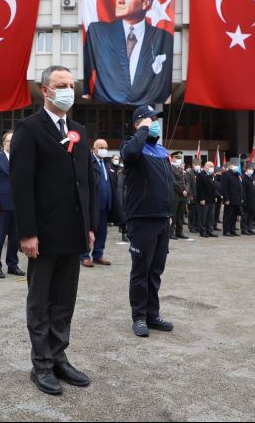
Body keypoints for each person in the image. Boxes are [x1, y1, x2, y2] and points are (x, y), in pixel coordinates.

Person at [10, 66, 97, 396]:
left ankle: (59, 356)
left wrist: (89, 227)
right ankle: (42, 364)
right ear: (45, 90)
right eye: (61, 85)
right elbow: (21, 184)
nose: (68, 90)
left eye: (71, 85)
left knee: (64, 300)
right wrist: (27, 232)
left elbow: (85, 183)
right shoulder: (29, 129)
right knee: (41, 300)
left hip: (73, 231)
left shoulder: (78, 130)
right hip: (43, 233)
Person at [121, 104, 174, 338]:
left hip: (162, 219)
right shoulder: (131, 147)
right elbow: (130, 153)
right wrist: (141, 131)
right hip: (141, 220)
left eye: (156, 119)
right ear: (138, 124)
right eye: (150, 120)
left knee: (155, 271)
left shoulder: (161, 151)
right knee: (141, 271)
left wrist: (169, 214)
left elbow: (166, 187)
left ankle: (153, 314)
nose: (155, 123)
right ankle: (139, 317)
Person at [83, 0, 174, 105]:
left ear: (145, 3)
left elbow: (164, 80)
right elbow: (87, 67)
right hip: (106, 108)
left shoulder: (163, 38)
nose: (120, 0)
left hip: (146, 106)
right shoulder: (98, 31)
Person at [0, 131, 25, 279]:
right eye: (10, 140)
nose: (13, 142)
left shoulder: (20, 159)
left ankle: (12, 265)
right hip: (2, 205)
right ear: (4, 143)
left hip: (17, 205)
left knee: (15, 238)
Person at [81, 139, 123, 268]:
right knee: (89, 230)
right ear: (94, 148)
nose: (103, 149)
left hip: (105, 204)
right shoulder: (89, 162)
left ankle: (98, 254)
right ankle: (84, 255)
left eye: (105, 147)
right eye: (100, 147)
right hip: (92, 204)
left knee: (102, 231)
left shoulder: (107, 164)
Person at [171, 151, 190, 240]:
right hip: (175, 195)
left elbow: (187, 181)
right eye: (177, 158)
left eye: (180, 158)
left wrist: (186, 189)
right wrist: (182, 190)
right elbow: (173, 182)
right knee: (174, 215)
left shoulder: (181, 169)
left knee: (181, 215)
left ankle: (179, 232)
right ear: (172, 158)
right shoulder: (170, 168)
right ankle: (171, 232)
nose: (179, 160)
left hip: (183, 195)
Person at [196, 161, 218, 238]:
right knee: (203, 217)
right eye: (210, 166)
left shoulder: (210, 175)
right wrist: (201, 199)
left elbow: (212, 188)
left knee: (210, 216)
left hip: (211, 199)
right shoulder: (200, 175)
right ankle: (203, 231)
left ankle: (210, 230)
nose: (212, 168)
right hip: (204, 199)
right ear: (205, 166)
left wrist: (214, 197)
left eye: (212, 166)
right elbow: (199, 188)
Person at [222, 158, 242, 237]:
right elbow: (224, 187)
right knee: (228, 215)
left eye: (237, 165)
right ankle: (226, 230)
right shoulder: (226, 174)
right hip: (229, 199)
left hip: (236, 199)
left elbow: (239, 186)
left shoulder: (237, 174)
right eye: (234, 165)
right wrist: (226, 198)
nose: (236, 166)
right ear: (230, 165)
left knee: (234, 215)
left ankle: (232, 229)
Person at [241, 163, 255, 235]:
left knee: (251, 215)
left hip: (253, 200)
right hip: (247, 200)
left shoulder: (251, 177)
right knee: (245, 215)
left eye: (252, 169)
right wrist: (243, 200)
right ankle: (244, 229)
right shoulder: (243, 177)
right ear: (246, 169)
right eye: (250, 169)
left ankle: (249, 228)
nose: (251, 170)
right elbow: (242, 190)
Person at [186, 159, 201, 233]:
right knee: (192, 213)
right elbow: (188, 184)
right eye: (196, 164)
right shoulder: (189, 173)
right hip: (192, 195)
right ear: (193, 165)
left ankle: (197, 226)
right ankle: (191, 227)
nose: (198, 166)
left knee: (198, 212)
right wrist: (190, 195)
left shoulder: (199, 173)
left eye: (199, 164)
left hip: (199, 195)